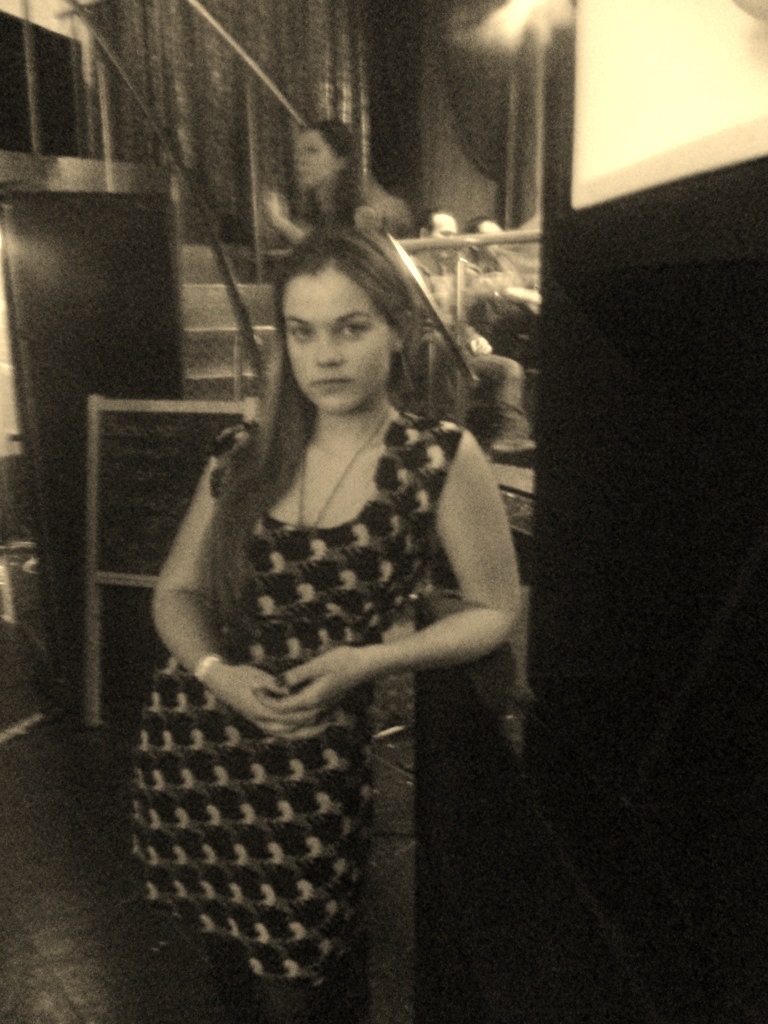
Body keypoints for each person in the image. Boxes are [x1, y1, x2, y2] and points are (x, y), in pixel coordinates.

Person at [132, 227, 520, 1024]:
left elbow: (494, 608)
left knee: (304, 975)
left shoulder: (437, 456)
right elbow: (175, 592)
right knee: (226, 960)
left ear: (398, 330)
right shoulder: (245, 450)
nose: (326, 356)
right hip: (196, 740)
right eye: (302, 332)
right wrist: (216, 674)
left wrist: (368, 662)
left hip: (311, 752)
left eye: (351, 327)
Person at [265, 119, 413, 245]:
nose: (300, 160)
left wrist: (378, 215)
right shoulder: (314, 203)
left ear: (340, 160)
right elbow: (318, 246)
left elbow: (397, 211)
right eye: (297, 153)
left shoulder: (361, 189)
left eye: (311, 150)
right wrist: (280, 222)